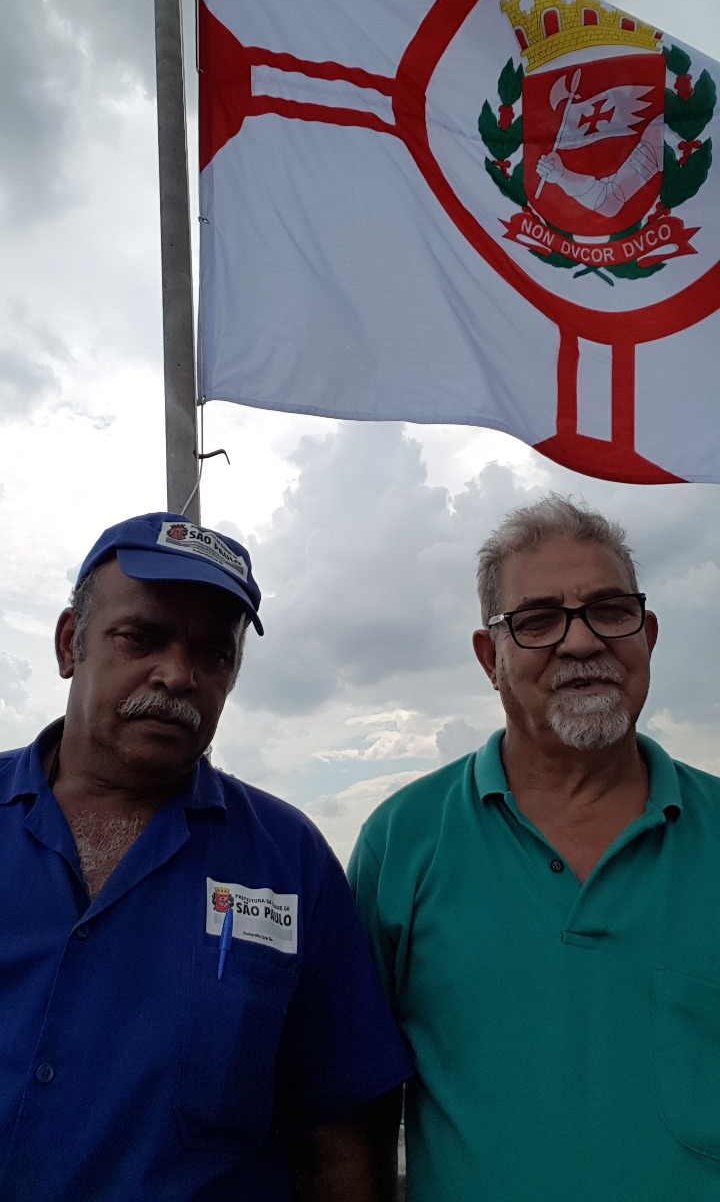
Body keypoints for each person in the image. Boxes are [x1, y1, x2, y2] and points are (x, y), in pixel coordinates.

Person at [0, 511, 412, 1202]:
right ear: (72, 643)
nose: (178, 675)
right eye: (142, 637)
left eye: (214, 653)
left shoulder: (291, 861)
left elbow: (341, 1137)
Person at [349, 493, 720, 1201]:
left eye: (611, 610)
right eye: (539, 621)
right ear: (491, 657)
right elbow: (355, 1106)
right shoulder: (402, 842)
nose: (582, 643)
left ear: (647, 634)